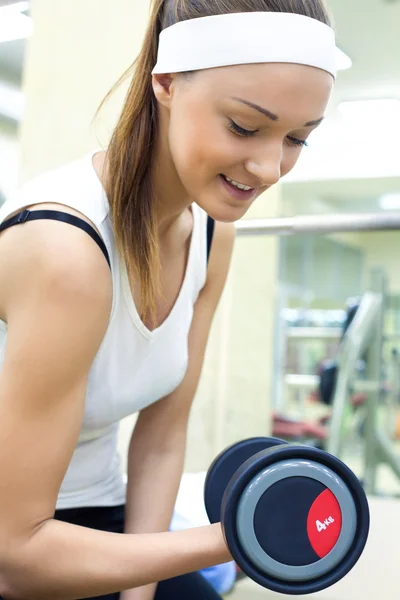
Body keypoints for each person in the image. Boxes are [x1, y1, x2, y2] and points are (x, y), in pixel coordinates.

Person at [0, 0, 336, 598]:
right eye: (244, 126)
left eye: (297, 139)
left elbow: (160, 438)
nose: (268, 166)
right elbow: (15, 559)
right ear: (166, 82)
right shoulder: (66, 249)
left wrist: (143, 588)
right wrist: (242, 535)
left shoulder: (212, 232)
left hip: (96, 515)